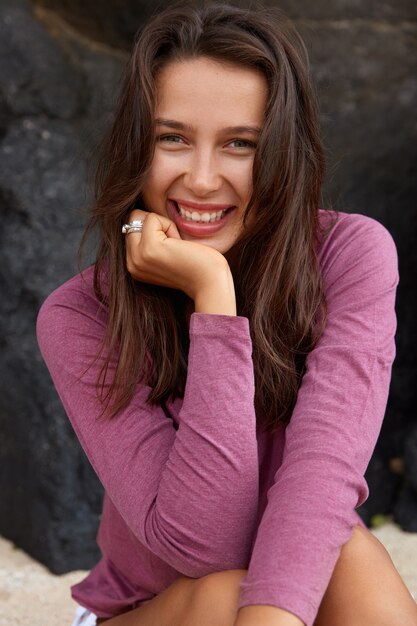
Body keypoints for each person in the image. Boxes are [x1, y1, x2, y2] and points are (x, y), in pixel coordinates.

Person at [36, 3, 417, 626]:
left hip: (286, 592)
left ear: (284, 155)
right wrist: (214, 298)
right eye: (173, 138)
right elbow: (205, 547)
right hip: (161, 609)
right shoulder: (80, 315)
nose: (203, 179)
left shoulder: (351, 256)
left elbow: (322, 479)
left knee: (343, 548)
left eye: (241, 144)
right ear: (137, 145)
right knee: (223, 590)